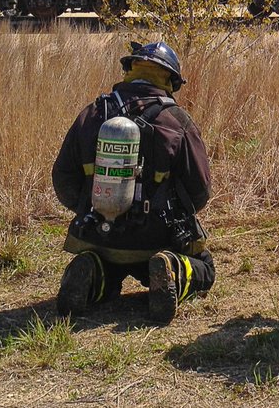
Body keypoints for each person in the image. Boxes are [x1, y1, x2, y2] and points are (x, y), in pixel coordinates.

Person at [51, 41, 215, 325]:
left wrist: (92, 209)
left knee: (107, 268)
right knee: (205, 268)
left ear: (129, 70)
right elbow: (200, 191)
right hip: (158, 239)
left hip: (98, 236)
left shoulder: (92, 114)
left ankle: (94, 271)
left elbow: (63, 180)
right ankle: (171, 268)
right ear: (170, 80)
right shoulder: (177, 120)